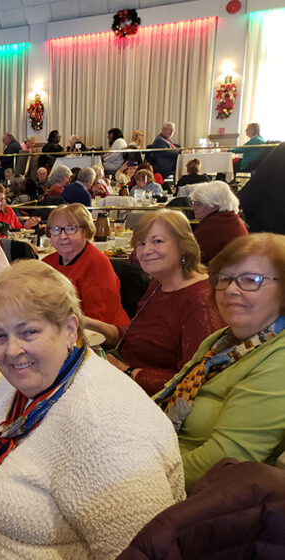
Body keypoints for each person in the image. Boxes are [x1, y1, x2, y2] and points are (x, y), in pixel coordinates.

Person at [0, 260, 184, 559]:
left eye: (28, 332)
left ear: (69, 328)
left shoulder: (103, 431)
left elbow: (141, 552)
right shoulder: (22, 380)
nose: (11, 350)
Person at [153, 233, 285, 490]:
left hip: (193, 501)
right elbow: (166, 394)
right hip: (154, 457)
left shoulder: (278, 357)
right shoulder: (223, 340)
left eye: (250, 280)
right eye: (224, 279)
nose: (231, 289)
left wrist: (135, 478)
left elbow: (224, 461)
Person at [85, 210, 225, 395]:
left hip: (148, 399)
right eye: (141, 244)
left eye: (157, 241)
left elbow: (196, 379)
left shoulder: (201, 300)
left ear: (183, 245)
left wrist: (128, 373)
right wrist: (85, 322)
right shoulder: (159, 284)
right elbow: (138, 337)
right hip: (120, 376)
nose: (146, 251)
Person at [42, 204, 129, 327]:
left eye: (71, 228)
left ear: (86, 231)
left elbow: (99, 319)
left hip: (101, 338)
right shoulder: (47, 263)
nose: (62, 236)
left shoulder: (97, 264)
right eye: (56, 229)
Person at [190, 181, 248, 264]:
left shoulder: (214, 228)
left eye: (198, 204)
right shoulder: (229, 220)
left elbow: (190, 255)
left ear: (214, 206)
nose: (193, 208)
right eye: (193, 203)